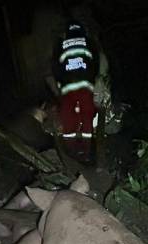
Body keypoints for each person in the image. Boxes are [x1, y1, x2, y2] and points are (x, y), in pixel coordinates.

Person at [52, 20, 99, 165]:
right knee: (86, 115)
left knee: (68, 117)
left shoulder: (61, 45)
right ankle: (87, 151)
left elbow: (55, 66)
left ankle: (71, 151)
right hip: (85, 85)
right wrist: (92, 79)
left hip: (67, 87)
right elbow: (95, 62)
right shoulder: (88, 42)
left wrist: (60, 84)